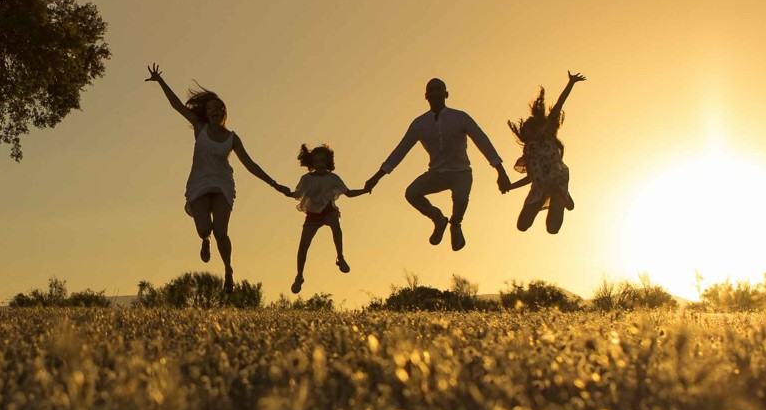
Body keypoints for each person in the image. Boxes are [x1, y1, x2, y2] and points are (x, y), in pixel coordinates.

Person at [145, 64, 289, 291]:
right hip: (199, 184)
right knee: (205, 230)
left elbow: (250, 164)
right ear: (206, 112)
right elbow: (176, 105)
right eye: (210, 107)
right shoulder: (199, 127)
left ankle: (228, 271)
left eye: (218, 107)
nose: (214, 110)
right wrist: (160, 81)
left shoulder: (232, 138)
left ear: (223, 112)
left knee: (221, 231)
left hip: (222, 185)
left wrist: (275, 184)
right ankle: (205, 240)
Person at [362, 77, 510, 251]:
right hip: (436, 173)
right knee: (412, 193)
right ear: (426, 96)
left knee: (460, 198)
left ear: (446, 94)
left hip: (461, 172)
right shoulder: (419, 124)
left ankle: (455, 225)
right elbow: (400, 150)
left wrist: (500, 171)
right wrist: (377, 177)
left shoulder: (460, 118)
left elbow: (482, 141)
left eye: (439, 89)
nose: (435, 93)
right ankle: (438, 219)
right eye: (431, 90)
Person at [509, 71, 584, 233]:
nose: (526, 127)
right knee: (522, 226)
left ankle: (561, 196)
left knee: (552, 229)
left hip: (556, 180)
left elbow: (558, 106)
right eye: (526, 127)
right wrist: (511, 186)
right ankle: (560, 197)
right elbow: (530, 177)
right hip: (540, 187)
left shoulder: (546, 135)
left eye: (530, 125)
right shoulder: (528, 151)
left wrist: (570, 83)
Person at [286, 143, 366, 294]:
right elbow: (297, 194)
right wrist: (284, 191)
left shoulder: (332, 178)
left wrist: (364, 190)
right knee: (303, 245)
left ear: (328, 162)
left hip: (328, 210)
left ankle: (340, 257)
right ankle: (299, 276)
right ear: (312, 163)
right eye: (316, 162)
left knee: (336, 224)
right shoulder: (306, 179)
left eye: (323, 161)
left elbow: (348, 193)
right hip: (313, 213)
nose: (320, 165)